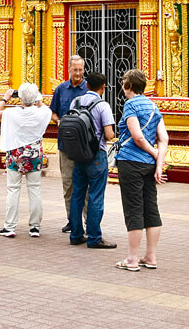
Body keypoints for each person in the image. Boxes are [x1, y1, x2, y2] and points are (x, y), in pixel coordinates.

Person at [115, 69, 169, 271]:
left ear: (128, 86)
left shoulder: (131, 105)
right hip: (149, 165)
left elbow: (137, 137)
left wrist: (155, 155)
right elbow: (163, 139)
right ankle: (151, 256)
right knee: (151, 208)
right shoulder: (154, 106)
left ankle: (132, 259)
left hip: (130, 162)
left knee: (134, 210)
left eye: (123, 83)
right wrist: (159, 162)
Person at [0, 83, 53, 238]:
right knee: (35, 189)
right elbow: (44, 107)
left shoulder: (13, 113)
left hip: (16, 154)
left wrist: (5, 98)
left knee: (13, 189)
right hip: (34, 154)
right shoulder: (43, 113)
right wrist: (37, 98)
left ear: (19, 98)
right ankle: (35, 227)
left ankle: (10, 226)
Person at [68, 71, 118, 249]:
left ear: (87, 85)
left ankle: (75, 234)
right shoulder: (102, 105)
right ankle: (94, 237)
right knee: (96, 195)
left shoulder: (76, 101)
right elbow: (109, 134)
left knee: (77, 195)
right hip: (96, 155)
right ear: (103, 87)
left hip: (78, 154)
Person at [49, 54, 89, 232]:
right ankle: (72, 220)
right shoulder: (61, 89)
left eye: (81, 70)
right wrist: (58, 122)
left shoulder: (89, 88)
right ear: (69, 70)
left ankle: (90, 222)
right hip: (66, 145)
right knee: (68, 184)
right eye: (75, 70)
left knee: (86, 185)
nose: (78, 73)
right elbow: (53, 111)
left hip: (86, 144)